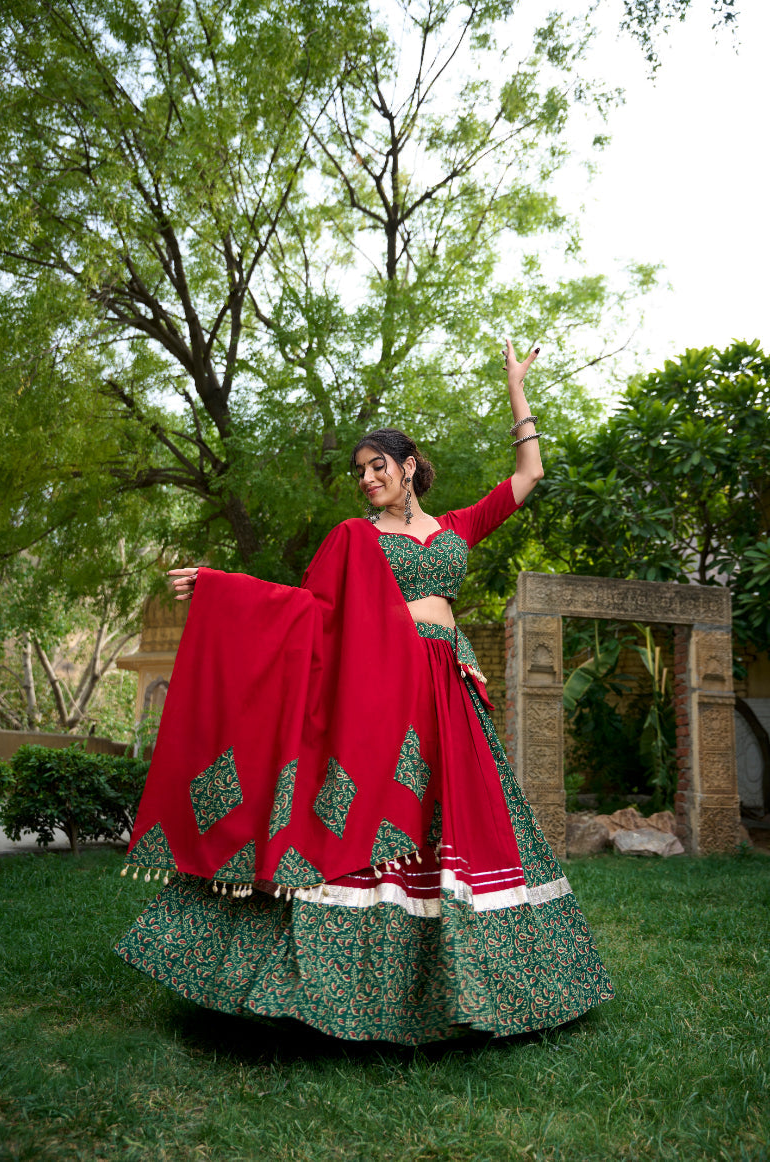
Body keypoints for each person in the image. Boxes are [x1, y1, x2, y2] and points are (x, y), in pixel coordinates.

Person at [115, 340, 614, 1045]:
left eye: (377, 466)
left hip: (450, 681)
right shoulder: (354, 536)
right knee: (376, 808)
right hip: (384, 684)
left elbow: (528, 473)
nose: (367, 480)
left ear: (409, 467)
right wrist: (218, 585)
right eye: (360, 472)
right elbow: (309, 610)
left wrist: (515, 389)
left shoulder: (456, 527)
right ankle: (325, 986)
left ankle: (486, 986)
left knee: (463, 820)